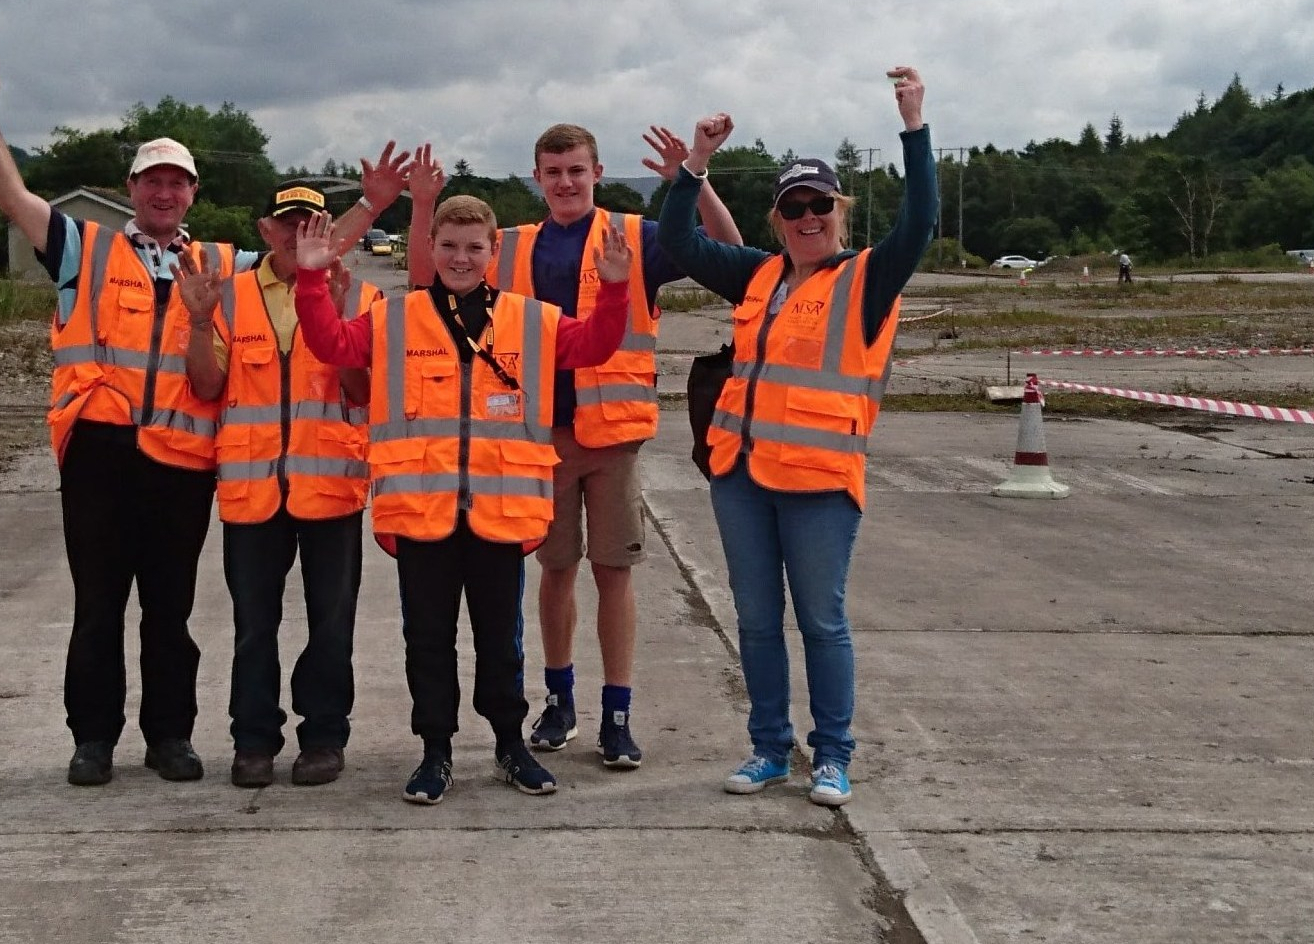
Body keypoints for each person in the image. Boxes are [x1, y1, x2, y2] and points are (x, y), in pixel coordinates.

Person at [0, 44, 385, 787]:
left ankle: (169, 738)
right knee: (97, 606)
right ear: (131, 189)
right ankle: (93, 739)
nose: (164, 192)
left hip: (181, 461)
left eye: (176, 182)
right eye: (152, 180)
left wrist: (372, 207)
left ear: (192, 194)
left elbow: (305, 251)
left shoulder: (222, 264)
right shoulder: (82, 248)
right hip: (99, 451)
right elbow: (11, 197)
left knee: (169, 611)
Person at [401, 126, 742, 769]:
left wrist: (694, 182)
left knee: (613, 572)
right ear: (537, 178)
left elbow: (727, 251)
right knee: (555, 570)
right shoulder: (512, 245)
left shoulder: (633, 236)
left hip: (612, 438)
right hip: (536, 439)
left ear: (597, 173)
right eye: (553, 171)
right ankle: (559, 701)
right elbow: (431, 277)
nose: (565, 182)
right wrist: (424, 206)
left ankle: (618, 712)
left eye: (576, 170)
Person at [654, 68, 938, 808]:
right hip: (741, 477)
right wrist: (696, 165)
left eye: (819, 205)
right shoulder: (758, 275)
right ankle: (769, 749)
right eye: (793, 207)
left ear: (838, 211)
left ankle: (832, 755)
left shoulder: (868, 278)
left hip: (819, 483)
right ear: (778, 219)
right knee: (755, 621)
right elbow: (679, 242)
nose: (808, 217)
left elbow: (920, 223)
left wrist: (914, 128)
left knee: (821, 621)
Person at [294, 193, 630, 804]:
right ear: (429, 248)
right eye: (448, 245)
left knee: (501, 641)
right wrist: (312, 278)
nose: (460, 257)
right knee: (427, 642)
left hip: (500, 513)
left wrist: (613, 289)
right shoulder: (394, 318)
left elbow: (595, 346)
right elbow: (332, 344)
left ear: (493, 251)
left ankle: (509, 745)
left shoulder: (531, 319)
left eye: (474, 247)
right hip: (422, 514)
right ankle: (435, 751)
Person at [177, 178, 399, 789]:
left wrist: (343, 325)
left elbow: (363, 394)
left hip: (330, 487)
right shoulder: (228, 297)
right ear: (266, 230)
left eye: (312, 224)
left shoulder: (363, 297)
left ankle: (324, 737)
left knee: (332, 622)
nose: (299, 234)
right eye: (288, 223)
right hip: (252, 493)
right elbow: (207, 386)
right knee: (254, 626)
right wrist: (198, 322)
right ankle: (253, 741)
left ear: (328, 231)